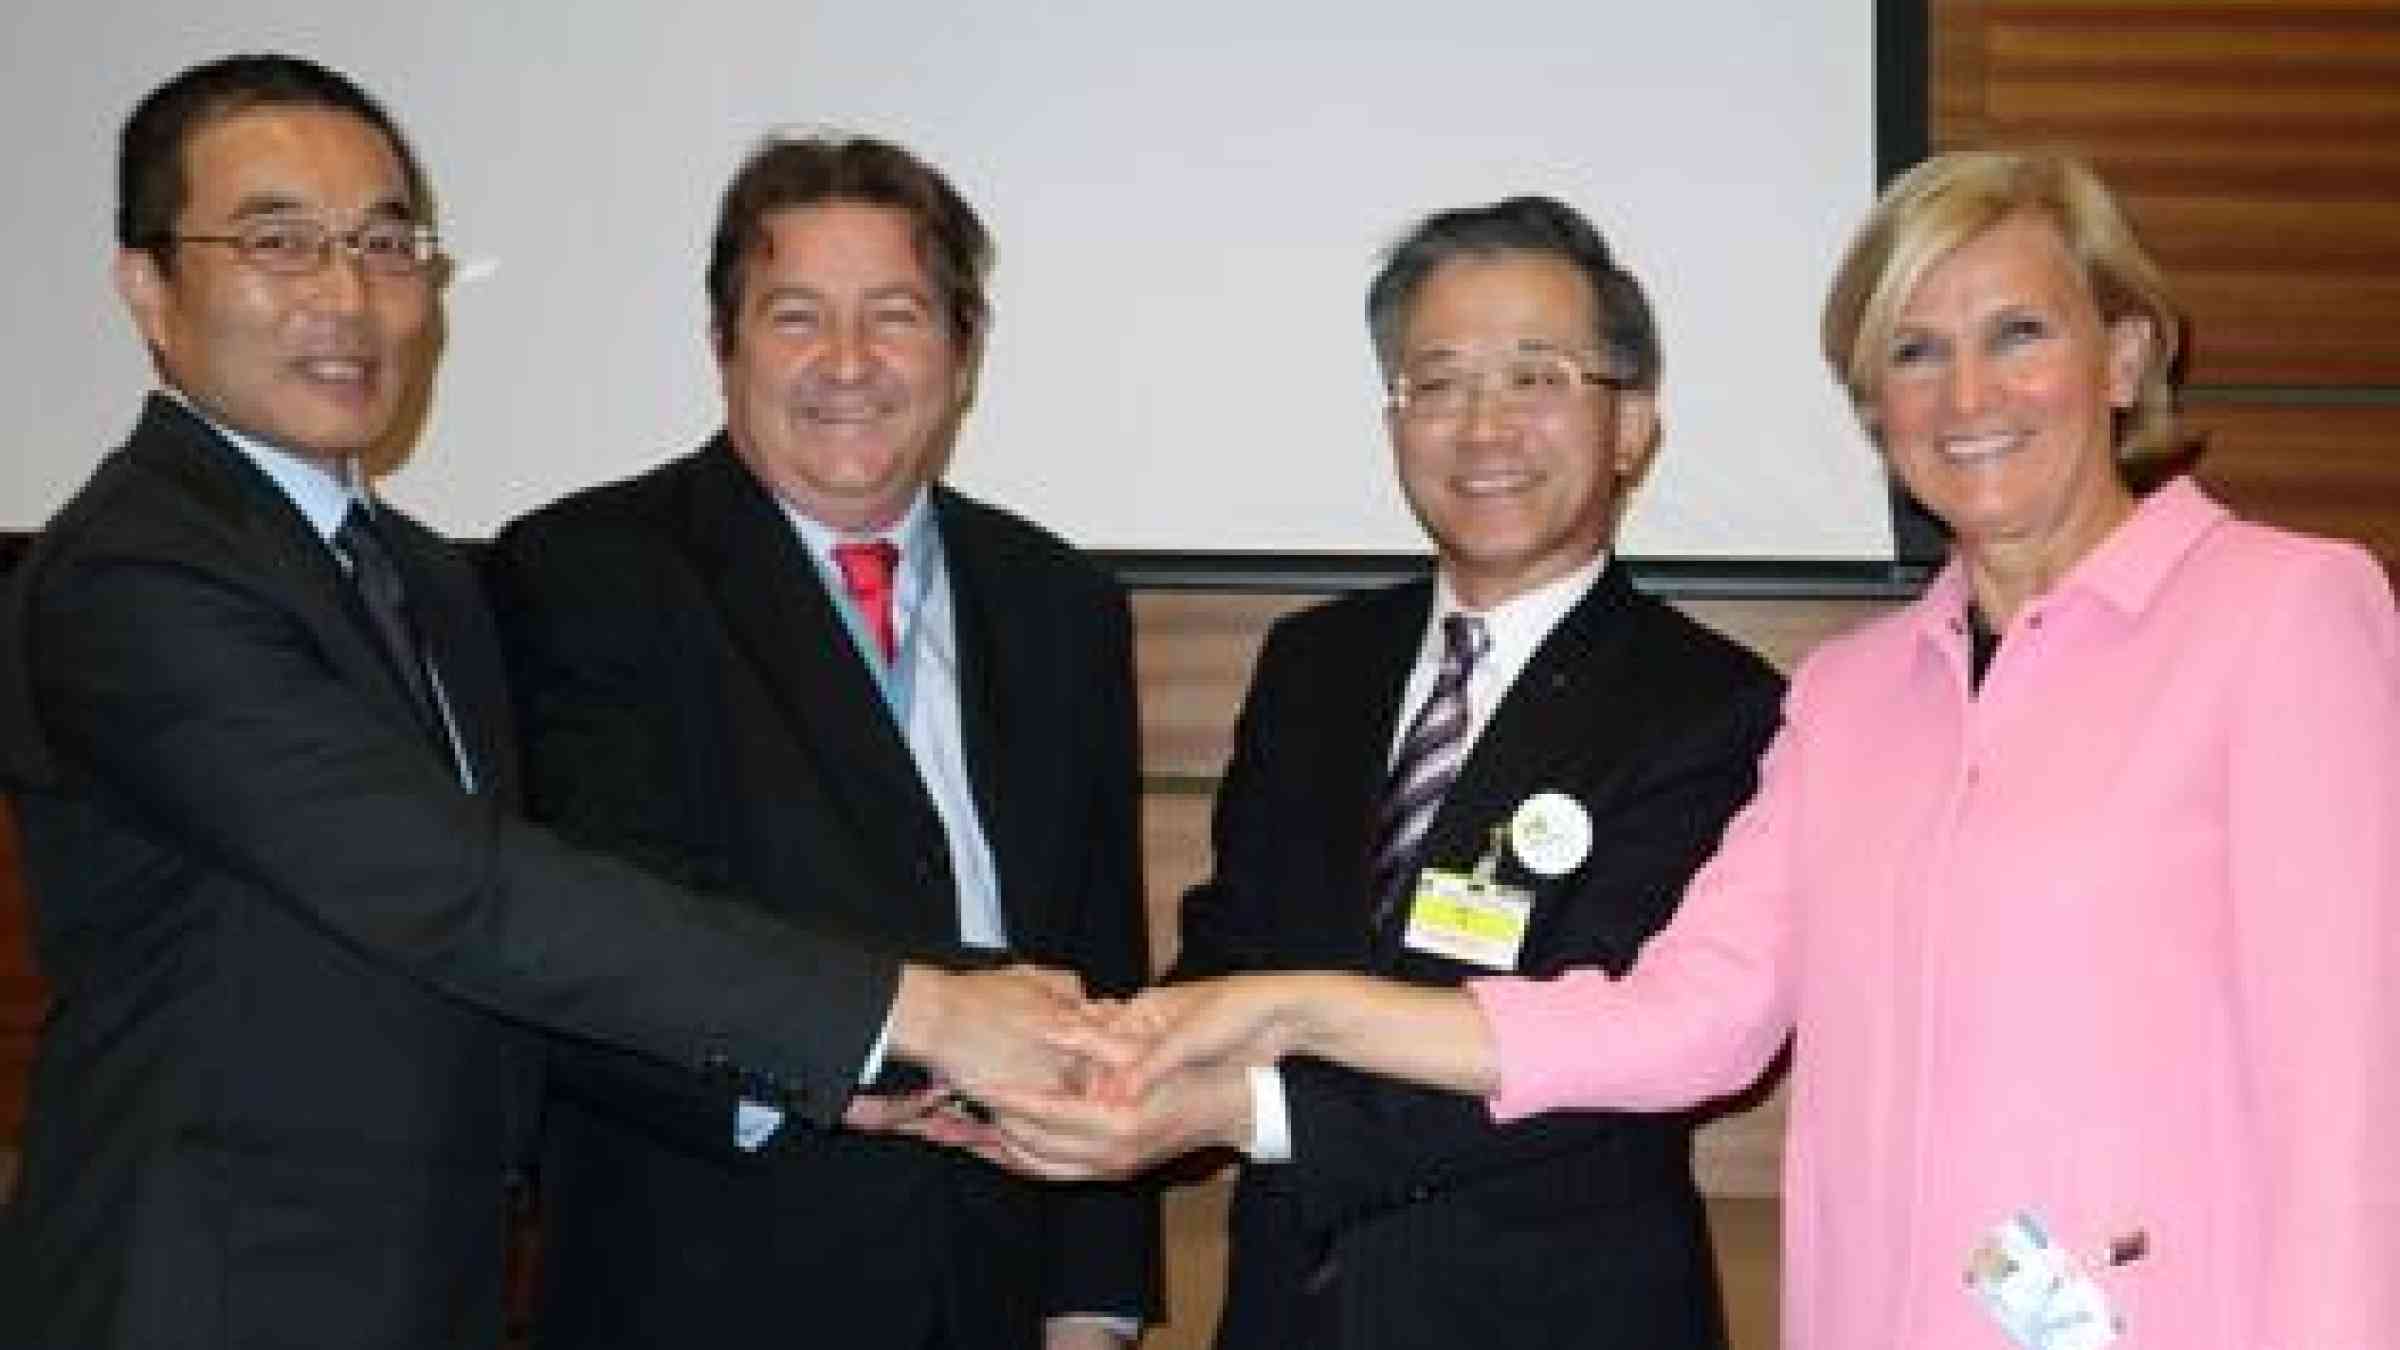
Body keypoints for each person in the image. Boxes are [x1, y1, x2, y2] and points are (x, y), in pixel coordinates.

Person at [1059, 151, 2400, 1347]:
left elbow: (2350, 1110)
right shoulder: (1856, 694)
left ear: (2121, 357)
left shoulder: (2281, 612)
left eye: (2018, 333)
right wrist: (1287, 1005)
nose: (1966, 393)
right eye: (1914, 351)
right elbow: (1679, 1019)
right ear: (1873, 402)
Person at [0, 54, 1094, 1350]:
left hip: (435, 1271)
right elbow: (459, 888)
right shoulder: (135, 572)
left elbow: (522, 962)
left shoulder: (411, 575)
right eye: (277, 241)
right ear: (149, 287)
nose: (344, 293)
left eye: (385, 242)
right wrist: (911, 1013)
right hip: (203, 1280)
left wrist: (815, 1078)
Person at [978, 196, 1782, 1349]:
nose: (1482, 428)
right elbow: (1234, 953)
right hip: (1286, 1309)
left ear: (1632, 426)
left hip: (1554, 1315)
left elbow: (1594, 1048)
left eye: (1535, 378)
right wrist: (1096, 1062)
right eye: (1438, 382)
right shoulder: (1314, 663)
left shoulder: (1717, 707)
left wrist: (1241, 1109)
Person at [485, 133, 1157, 1350]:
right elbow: (591, 934)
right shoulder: (585, 574)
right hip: (705, 1275)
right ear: (723, 347)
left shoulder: (1061, 600)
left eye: (895, 315)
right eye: (796, 317)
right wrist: (865, 1054)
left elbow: (1096, 948)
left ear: (963, 354)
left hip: (992, 1285)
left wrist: (1092, 1301)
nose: (847, 363)